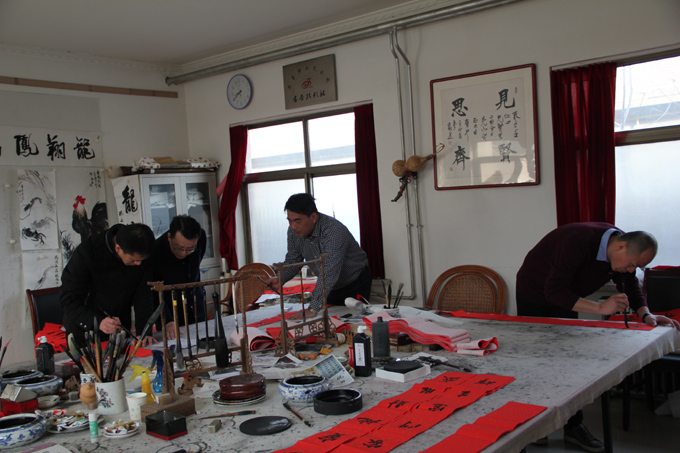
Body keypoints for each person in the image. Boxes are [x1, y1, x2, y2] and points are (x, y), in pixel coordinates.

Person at [516, 222, 678, 453]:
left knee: (568, 361)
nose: (631, 269)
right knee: (539, 362)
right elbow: (553, 291)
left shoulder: (621, 250)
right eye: (632, 264)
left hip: (565, 296)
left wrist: (647, 315)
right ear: (621, 247)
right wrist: (601, 308)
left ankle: (573, 426)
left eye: (637, 267)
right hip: (535, 293)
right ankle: (536, 427)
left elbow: (630, 285)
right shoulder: (576, 240)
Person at [268, 193, 371, 320]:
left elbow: (329, 272)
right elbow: (293, 259)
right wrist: (281, 278)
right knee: (331, 320)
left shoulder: (333, 231)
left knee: (353, 321)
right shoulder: (293, 232)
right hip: (330, 287)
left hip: (354, 283)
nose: (293, 226)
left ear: (313, 217)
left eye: (297, 221)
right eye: (289, 221)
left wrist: (313, 308)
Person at [60, 223, 157, 347]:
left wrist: (144, 331)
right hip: (85, 331)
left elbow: (143, 294)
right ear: (118, 248)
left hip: (119, 329)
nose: (138, 264)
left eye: (141, 260)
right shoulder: (88, 252)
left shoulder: (142, 253)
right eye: (134, 260)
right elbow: (68, 300)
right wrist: (97, 322)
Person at [151, 215, 207, 340]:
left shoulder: (201, 237)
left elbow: (197, 260)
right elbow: (154, 293)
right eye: (179, 248)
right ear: (169, 237)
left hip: (194, 301)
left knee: (201, 340)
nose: (183, 253)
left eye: (190, 249)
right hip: (170, 309)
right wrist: (166, 320)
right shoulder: (155, 252)